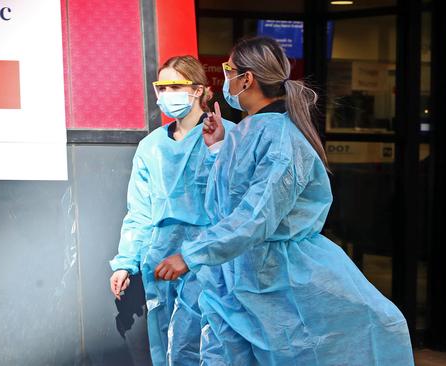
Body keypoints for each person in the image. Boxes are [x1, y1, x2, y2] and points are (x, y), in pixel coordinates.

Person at [154, 37, 414, 365]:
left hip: (282, 279)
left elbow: (257, 216)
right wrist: (218, 147)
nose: (226, 79)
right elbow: (228, 201)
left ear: (247, 79)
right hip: (243, 278)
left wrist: (191, 255)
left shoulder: (281, 139)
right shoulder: (248, 132)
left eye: (229, 70)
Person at [109, 55, 235, 366]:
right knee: (168, 346)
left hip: (211, 259)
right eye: (162, 87)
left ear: (198, 90)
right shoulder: (151, 146)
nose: (167, 94)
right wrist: (126, 262)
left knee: (213, 344)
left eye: (175, 86)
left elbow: (239, 204)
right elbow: (139, 210)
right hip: (161, 260)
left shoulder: (225, 135)